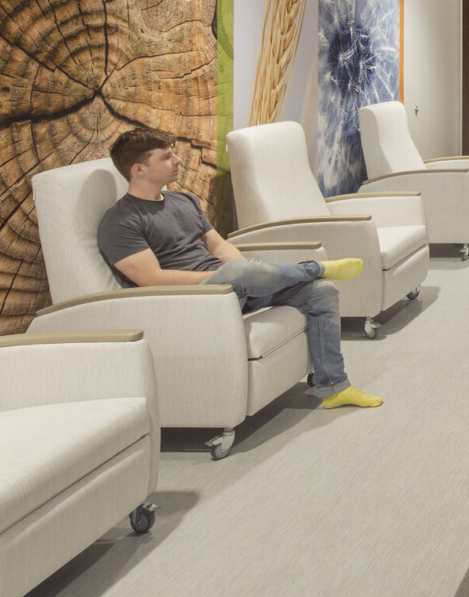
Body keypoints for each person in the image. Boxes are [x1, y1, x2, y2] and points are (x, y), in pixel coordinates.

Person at [96, 126, 383, 410]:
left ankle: (334, 388)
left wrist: (246, 275)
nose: (178, 161)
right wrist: (224, 277)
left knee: (321, 292)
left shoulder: (184, 201)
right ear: (139, 170)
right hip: (191, 300)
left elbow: (220, 247)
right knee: (239, 272)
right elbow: (152, 280)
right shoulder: (120, 222)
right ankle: (313, 267)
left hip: (232, 287)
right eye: (166, 157)